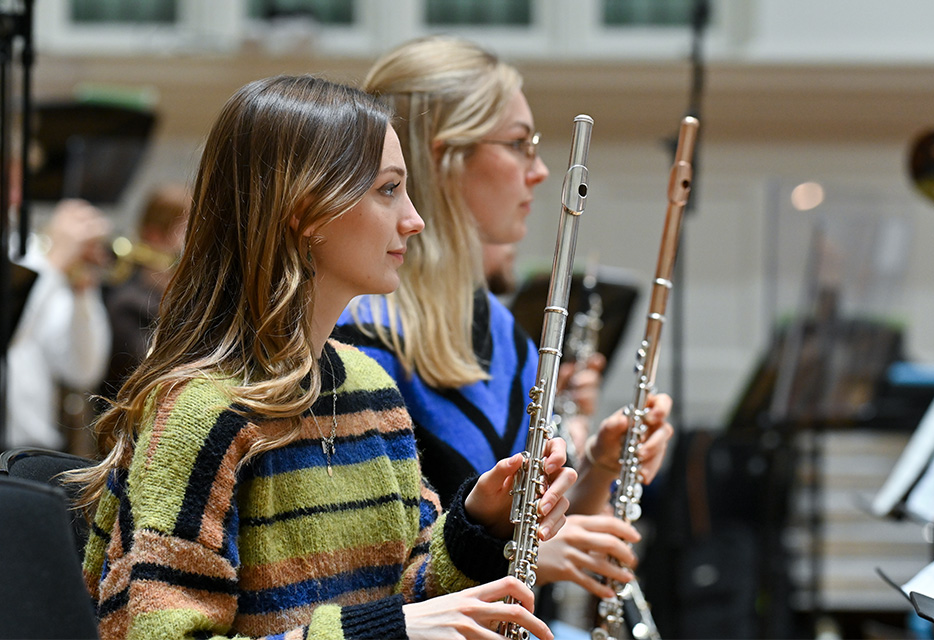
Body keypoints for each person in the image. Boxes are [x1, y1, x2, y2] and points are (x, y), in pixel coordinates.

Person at [68, 74, 576, 640]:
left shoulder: (367, 385)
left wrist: (476, 525)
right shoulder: (198, 414)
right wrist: (382, 633)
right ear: (307, 211)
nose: (414, 218)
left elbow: (412, 595)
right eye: (388, 190)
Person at [334, 35, 674, 606]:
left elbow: (539, 537)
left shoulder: (498, 329)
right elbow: (363, 586)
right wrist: (529, 558)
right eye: (519, 145)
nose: (540, 172)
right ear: (444, 160)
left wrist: (596, 469)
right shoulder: (359, 338)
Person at [5, 197, 111, 450]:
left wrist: (82, 292)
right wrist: (56, 261)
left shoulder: (33, 250)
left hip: (33, 446)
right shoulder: (41, 261)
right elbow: (9, 334)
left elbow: (82, 371)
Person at [99, 183, 190, 404]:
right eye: (187, 231)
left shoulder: (183, 296)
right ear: (154, 235)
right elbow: (150, 371)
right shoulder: (126, 304)